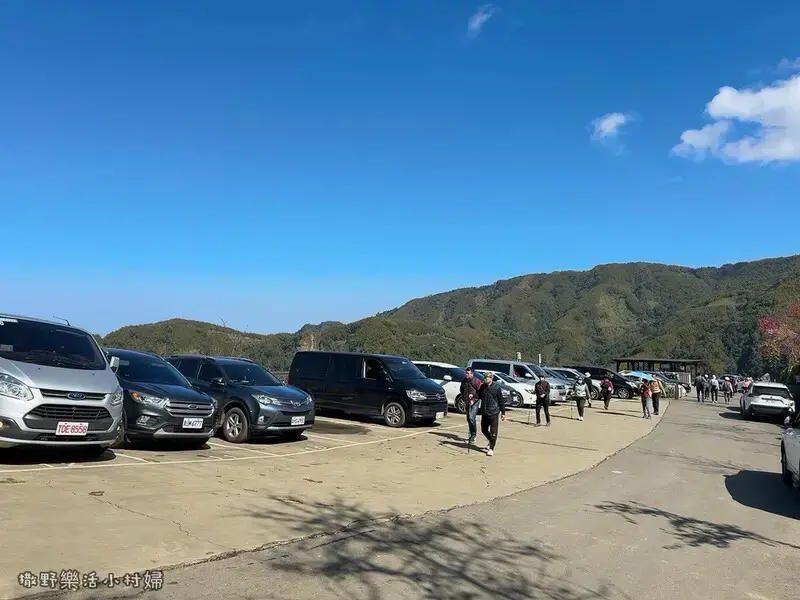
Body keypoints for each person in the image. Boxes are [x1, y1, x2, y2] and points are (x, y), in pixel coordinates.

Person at [477, 372, 506, 456]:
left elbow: (501, 401)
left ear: (491, 378)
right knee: (484, 430)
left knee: (493, 432)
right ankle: (491, 441)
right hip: (484, 412)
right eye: (484, 377)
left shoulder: (497, 388)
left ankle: (491, 448)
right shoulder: (482, 387)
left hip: (494, 412)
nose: (485, 379)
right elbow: (478, 395)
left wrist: (503, 412)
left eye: (487, 377)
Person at [460, 367, 481, 444]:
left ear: (472, 374)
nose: (466, 374)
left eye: (468, 373)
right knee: (468, 418)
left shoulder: (476, 381)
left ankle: (473, 436)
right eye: (466, 373)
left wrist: (473, 399)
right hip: (467, 401)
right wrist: (464, 397)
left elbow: (480, 392)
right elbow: (461, 389)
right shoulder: (464, 381)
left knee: (472, 417)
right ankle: (471, 435)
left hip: (474, 402)